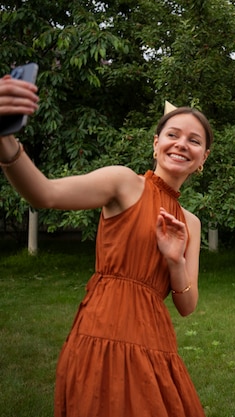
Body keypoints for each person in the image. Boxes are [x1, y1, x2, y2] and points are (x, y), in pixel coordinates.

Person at [0, 73, 211, 416]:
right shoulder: (123, 182)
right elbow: (45, 193)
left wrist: (174, 261)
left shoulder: (191, 223)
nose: (181, 144)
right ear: (156, 143)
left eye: (194, 140)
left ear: (203, 158)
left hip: (156, 341)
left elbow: (187, 305)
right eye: (172, 135)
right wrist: (5, 140)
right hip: (103, 334)